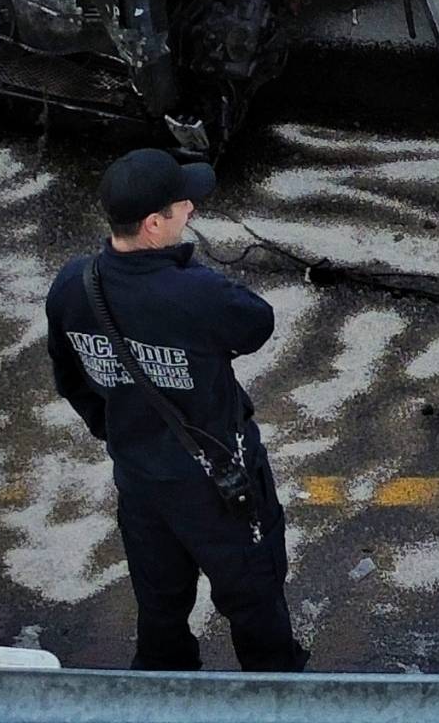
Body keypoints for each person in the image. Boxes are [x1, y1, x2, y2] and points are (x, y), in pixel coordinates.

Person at [45, 149, 307, 673]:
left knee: (160, 608)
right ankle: (279, 696)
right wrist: (184, 272)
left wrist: (123, 432)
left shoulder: (73, 286)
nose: (190, 208)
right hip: (220, 484)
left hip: (141, 483)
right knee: (254, 601)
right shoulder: (196, 293)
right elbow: (257, 324)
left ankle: (163, 694)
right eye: (179, 204)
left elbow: (71, 380)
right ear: (153, 223)